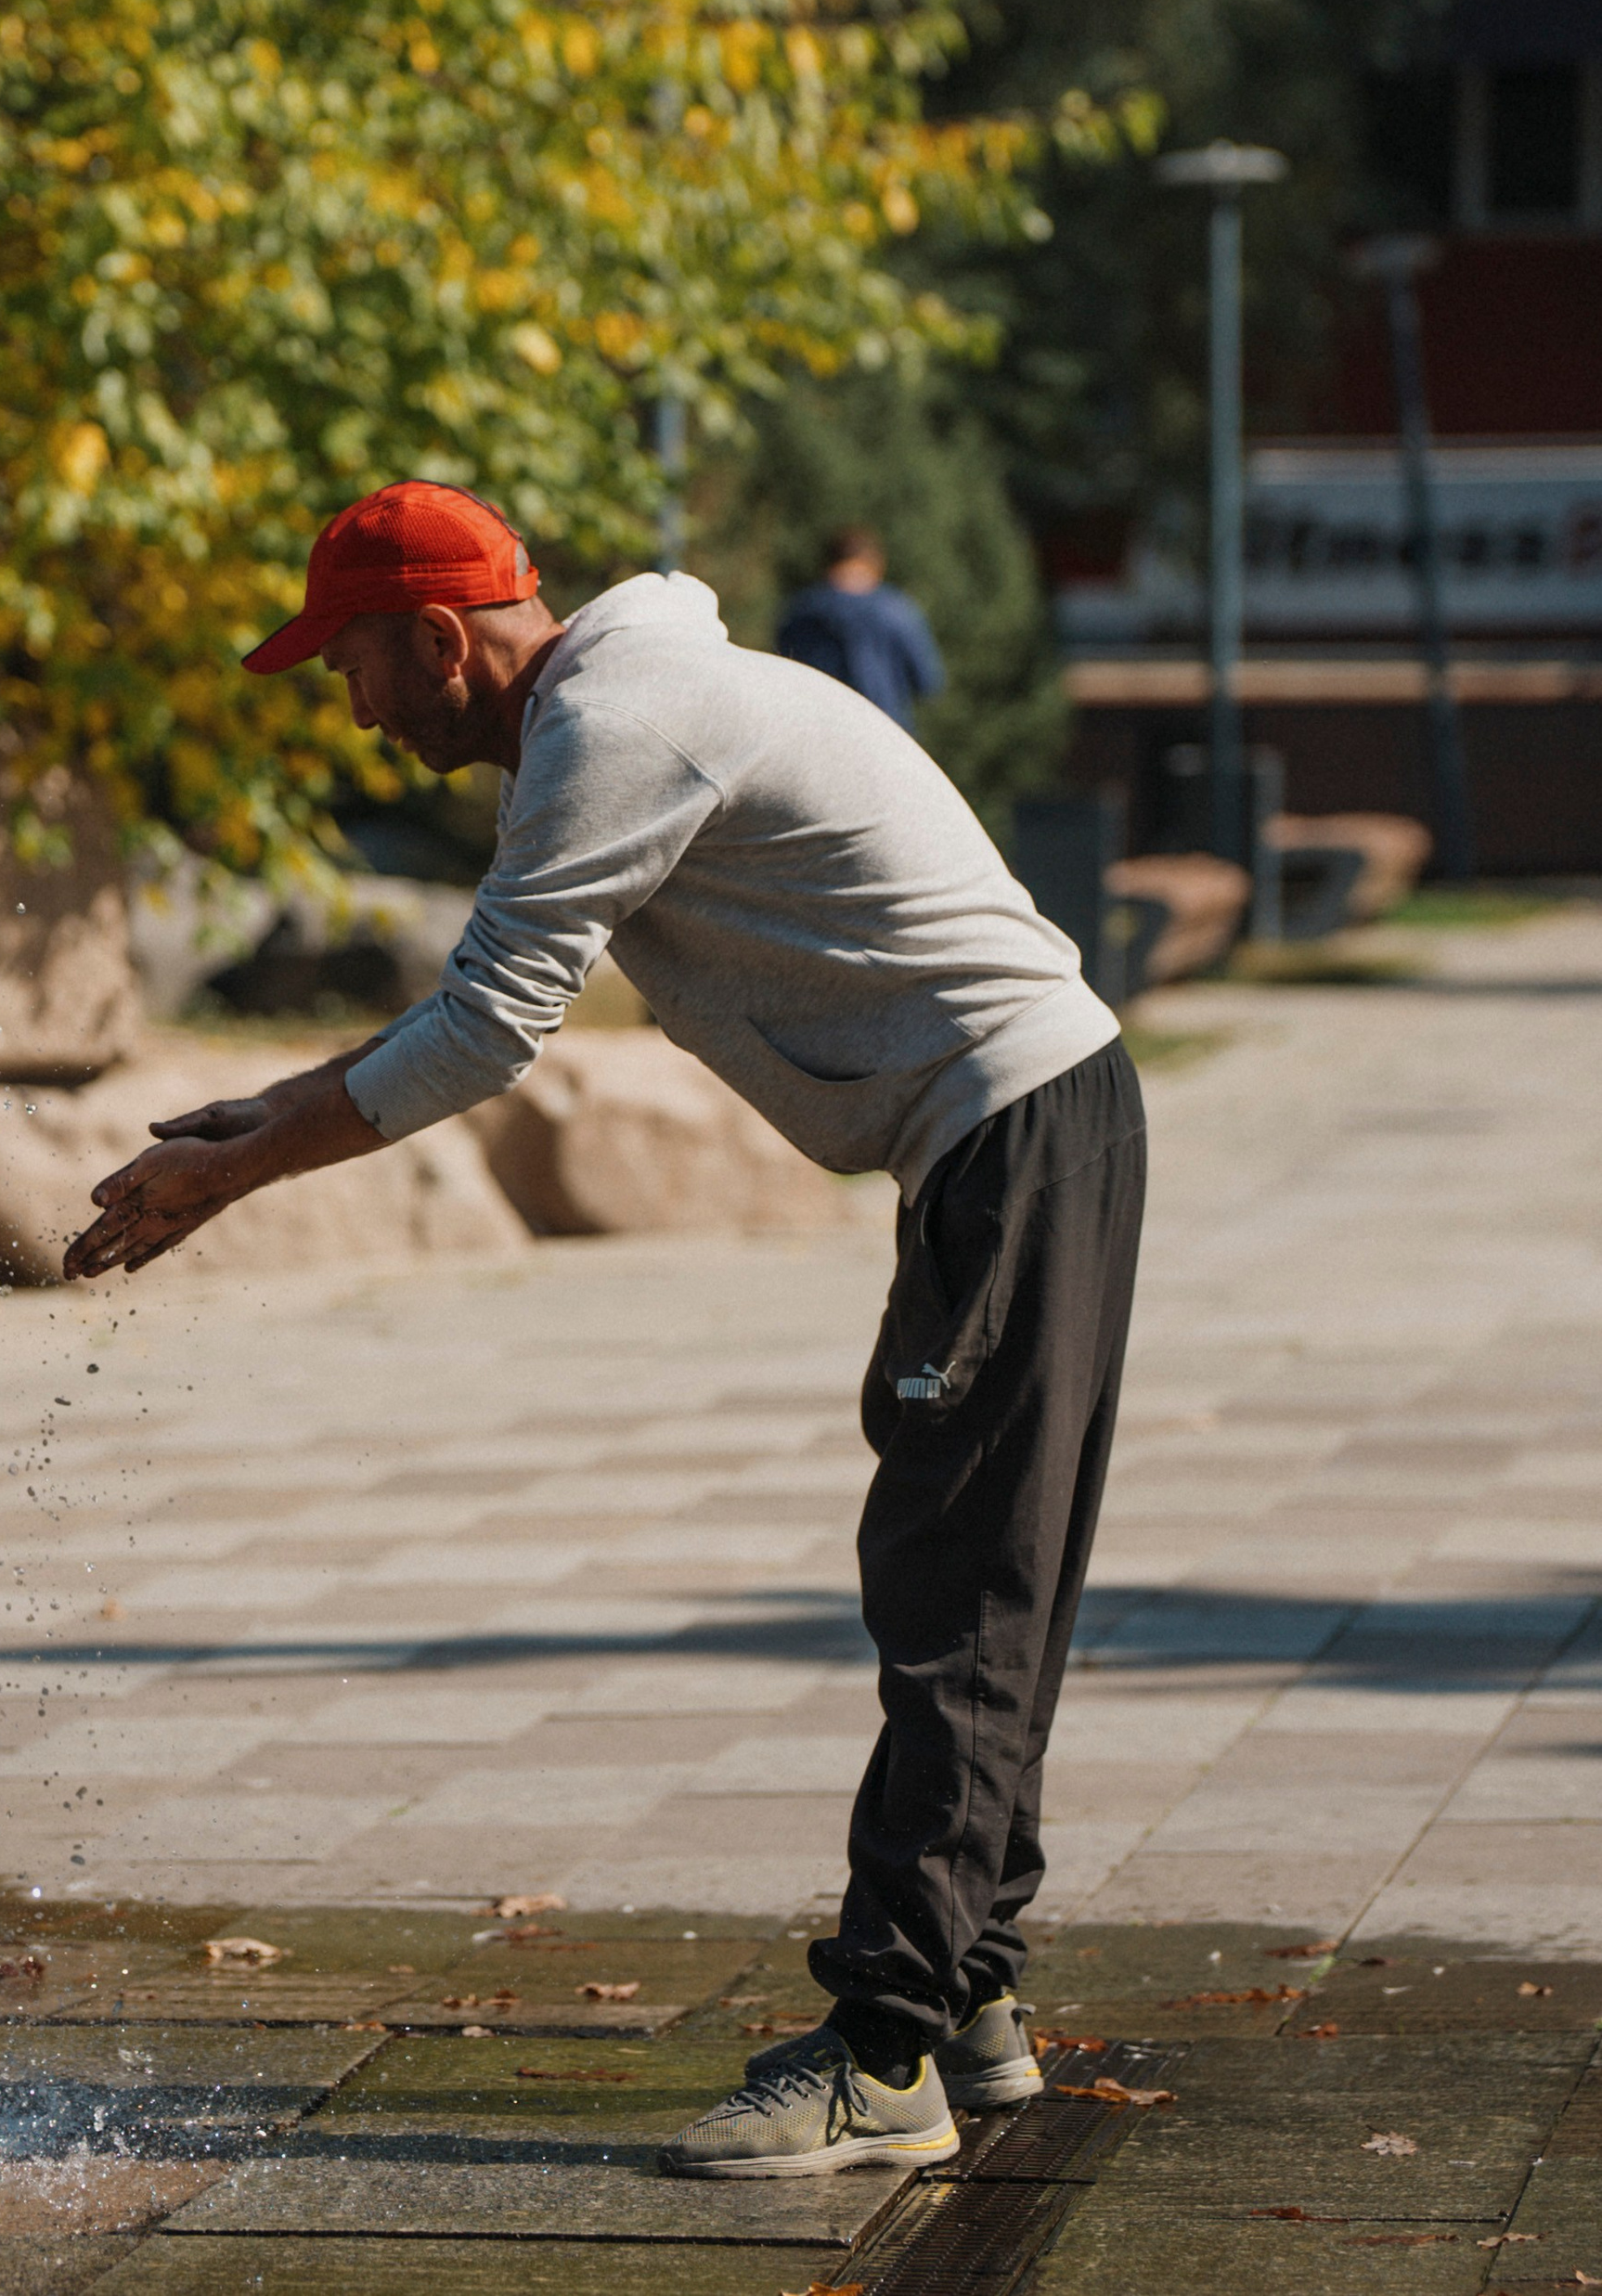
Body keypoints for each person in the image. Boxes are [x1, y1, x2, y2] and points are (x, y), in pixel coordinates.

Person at [65, 481, 1146, 2180]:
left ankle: (885, 2052)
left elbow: (491, 1030)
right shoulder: (617, 709)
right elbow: (468, 1002)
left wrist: (244, 1175)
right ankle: (968, 1998)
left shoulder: (618, 722)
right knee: (960, 1566)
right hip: (1009, 1133)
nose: (346, 707)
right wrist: (258, 1112)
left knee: (964, 1588)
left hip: (1013, 1130)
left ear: (438, 640)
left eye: (349, 665)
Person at [774, 525, 946, 733]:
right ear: (876, 563)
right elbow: (928, 682)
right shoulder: (896, 610)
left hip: (814, 735)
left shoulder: (800, 612)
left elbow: (782, 678)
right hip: (885, 735)